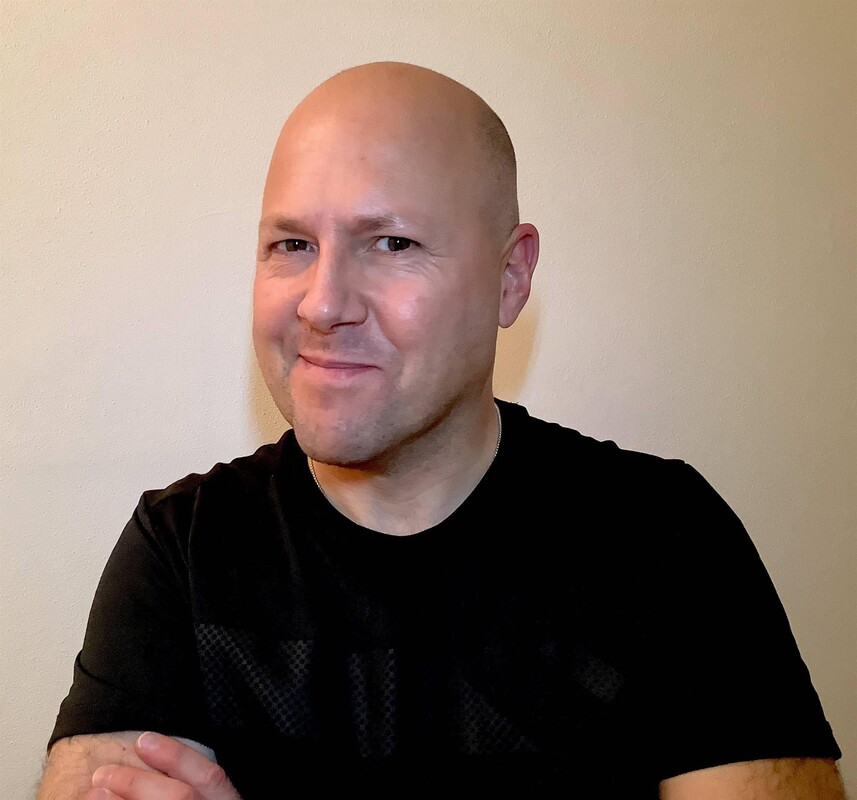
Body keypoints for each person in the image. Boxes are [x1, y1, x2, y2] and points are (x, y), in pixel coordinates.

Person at [37, 61, 845, 799]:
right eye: (292, 244)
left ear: (509, 277)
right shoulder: (184, 551)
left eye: (392, 243)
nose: (322, 303)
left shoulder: (663, 538)